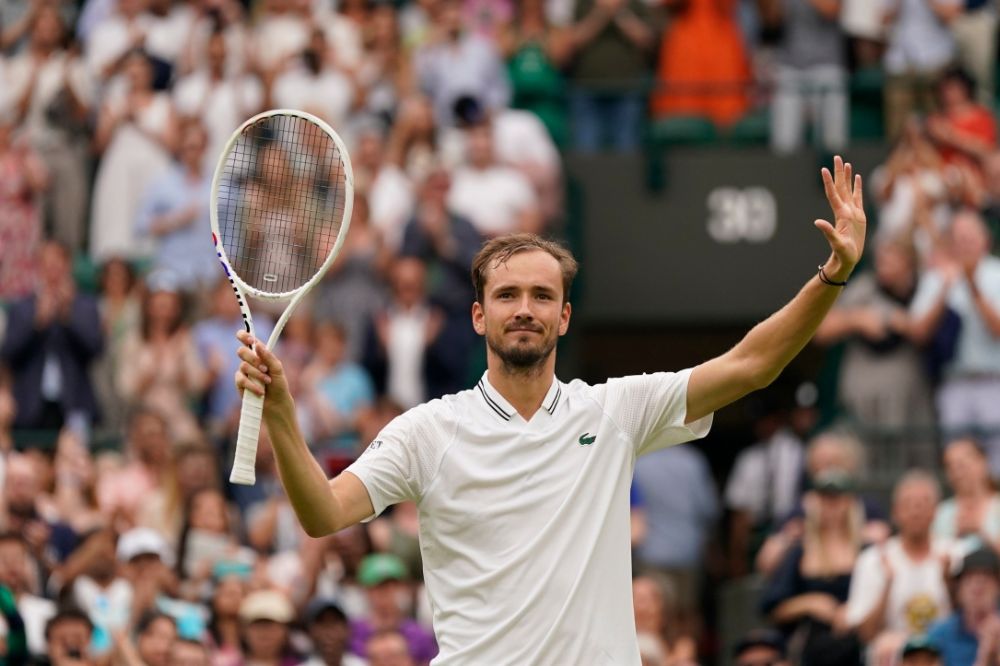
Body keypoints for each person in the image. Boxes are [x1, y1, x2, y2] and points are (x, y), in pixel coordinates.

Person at [232, 157, 867, 663]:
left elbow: (752, 365)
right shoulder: (429, 431)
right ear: (480, 315)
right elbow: (323, 513)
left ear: (564, 316)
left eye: (542, 295)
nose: (525, 308)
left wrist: (832, 277)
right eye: (507, 295)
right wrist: (284, 415)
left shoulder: (614, 411)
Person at [844, 472, 952, 664]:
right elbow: (865, 634)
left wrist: (949, 582)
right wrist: (887, 586)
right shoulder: (873, 560)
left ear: (936, 511)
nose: (915, 511)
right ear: (895, 512)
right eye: (908, 504)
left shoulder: (955, 554)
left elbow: (971, 626)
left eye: (923, 504)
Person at [1, 241, 102, 432]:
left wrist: (67, 317)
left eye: (58, 264)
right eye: (46, 264)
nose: (52, 271)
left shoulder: (85, 306)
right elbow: (9, 353)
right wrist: (37, 324)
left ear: (68, 266)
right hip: (29, 404)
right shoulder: (22, 307)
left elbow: (94, 349)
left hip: (74, 400)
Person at [927, 546, 1000, 666]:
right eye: (969, 577)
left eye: (986, 577)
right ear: (958, 588)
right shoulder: (939, 635)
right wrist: (984, 656)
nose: (977, 584)